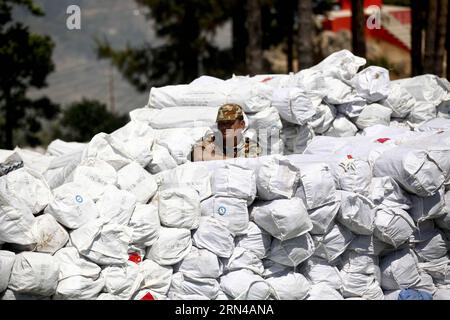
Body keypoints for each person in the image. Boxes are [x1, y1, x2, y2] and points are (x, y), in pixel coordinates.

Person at [191, 104, 261, 161]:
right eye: (221, 123)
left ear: (242, 124)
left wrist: (211, 156)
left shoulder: (251, 147)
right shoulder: (211, 139)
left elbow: (245, 167)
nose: (224, 127)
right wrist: (232, 160)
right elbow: (198, 156)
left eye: (229, 123)